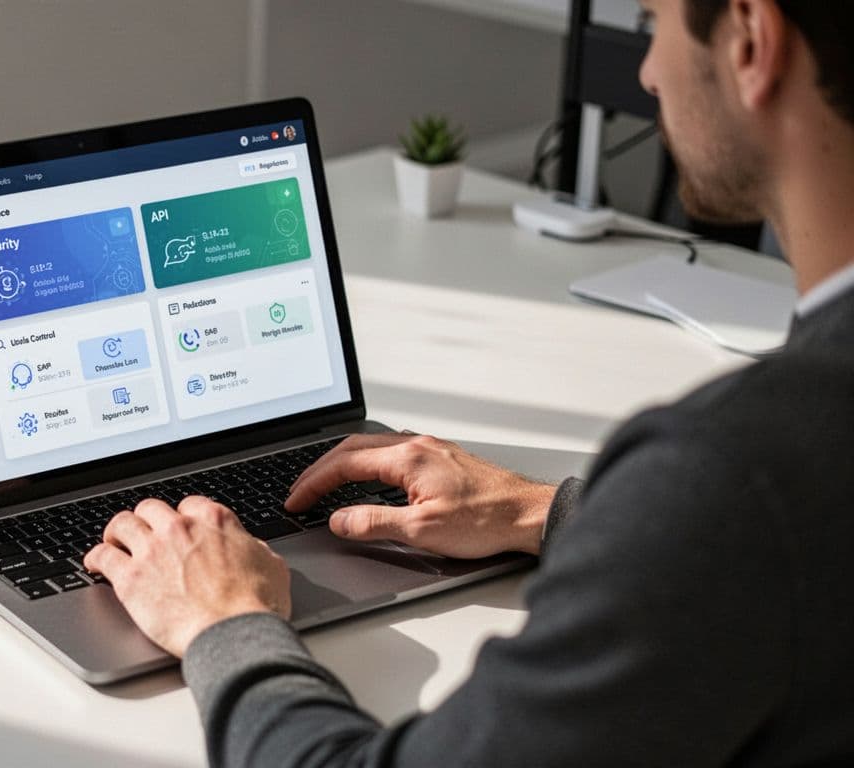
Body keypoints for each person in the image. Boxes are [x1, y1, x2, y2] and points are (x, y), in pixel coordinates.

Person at [83, 0, 854, 764]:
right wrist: (543, 511)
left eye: (654, 26)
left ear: (752, 40)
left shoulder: (732, 475)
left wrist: (225, 622)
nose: (648, 73)